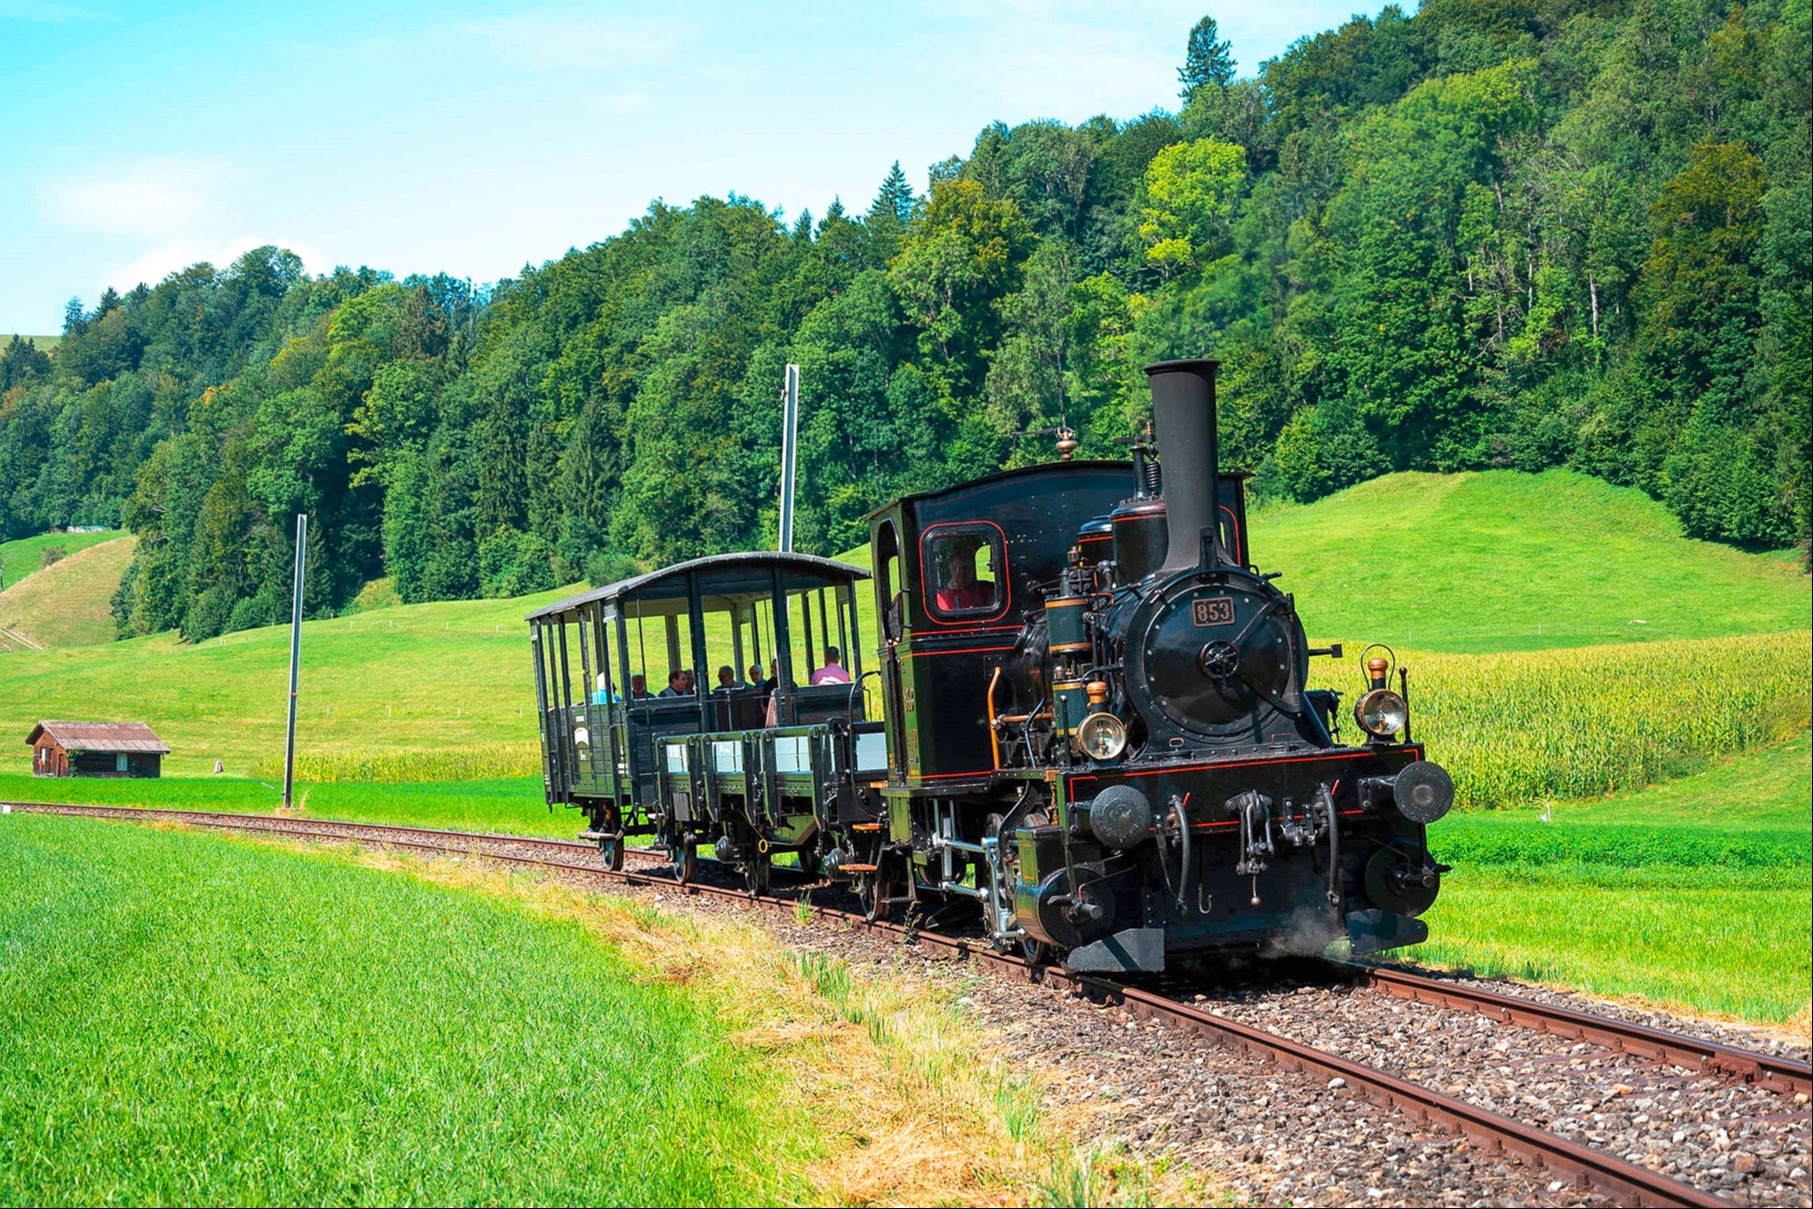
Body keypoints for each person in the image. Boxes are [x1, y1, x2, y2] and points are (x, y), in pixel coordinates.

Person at [935, 546, 993, 612]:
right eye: (958, 567)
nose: (962, 572)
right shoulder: (940, 600)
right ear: (950, 568)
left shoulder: (986, 591)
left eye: (966, 568)